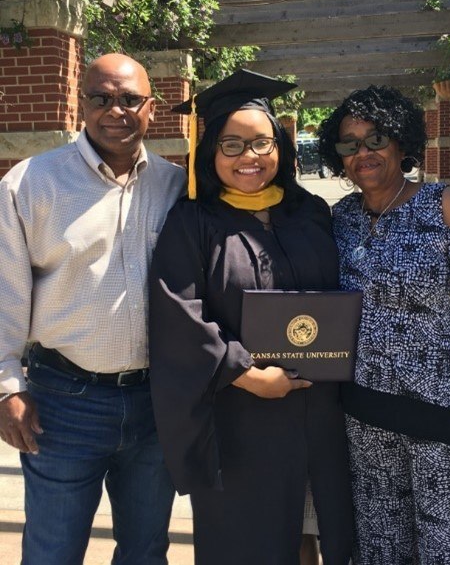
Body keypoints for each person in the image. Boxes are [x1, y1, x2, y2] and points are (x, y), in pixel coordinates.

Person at [149, 69, 354, 565]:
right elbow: (177, 311)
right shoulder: (192, 222)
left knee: (321, 532)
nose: (249, 158)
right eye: (232, 144)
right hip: (242, 417)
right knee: (248, 542)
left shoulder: (309, 211)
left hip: (323, 411)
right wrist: (242, 373)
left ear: (280, 148)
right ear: (210, 152)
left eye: (261, 143)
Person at [0, 53, 186, 564]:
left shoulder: (174, 186)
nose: (115, 111)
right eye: (101, 98)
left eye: (129, 100)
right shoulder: (30, 183)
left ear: (152, 107)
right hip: (63, 401)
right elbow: (5, 291)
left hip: (155, 403)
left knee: (146, 550)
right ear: (81, 103)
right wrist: (6, 387)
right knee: (52, 552)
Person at [318, 85, 450, 564]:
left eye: (375, 139)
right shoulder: (340, 218)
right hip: (367, 417)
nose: (362, 153)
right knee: (381, 548)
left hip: (446, 412)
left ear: (401, 143)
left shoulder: (444, 204)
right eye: (349, 145)